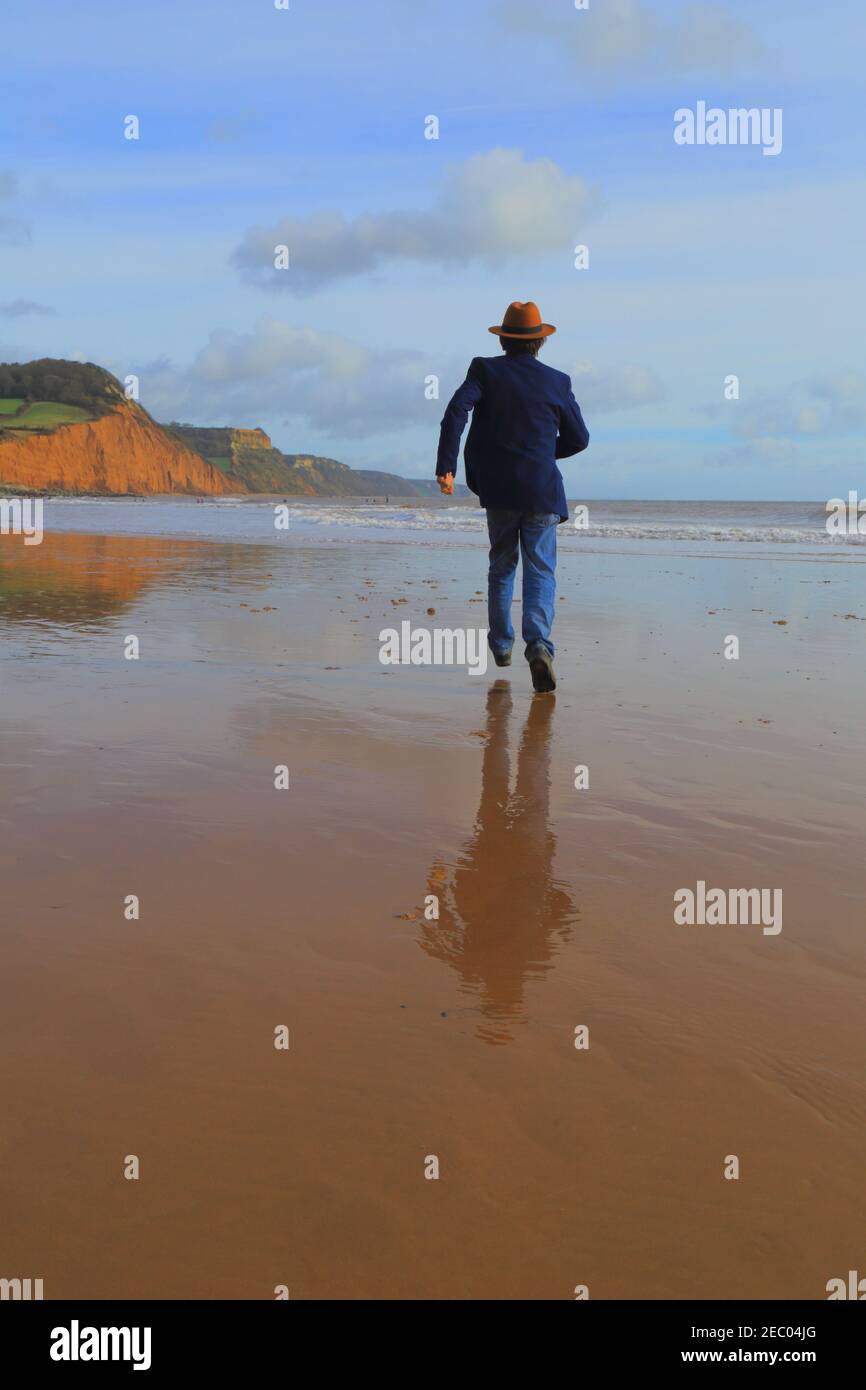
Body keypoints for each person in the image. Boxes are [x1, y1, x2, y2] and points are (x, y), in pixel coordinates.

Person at [436, 301, 589, 692]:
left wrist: (446, 465)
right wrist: (540, 453)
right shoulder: (558, 381)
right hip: (542, 491)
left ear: (503, 338)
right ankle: (537, 645)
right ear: (540, 342)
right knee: (540, 569)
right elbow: (579, 439)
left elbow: (457, 411)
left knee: (502, 565)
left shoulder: (484, 370)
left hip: (500, 489)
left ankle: (501, 645)